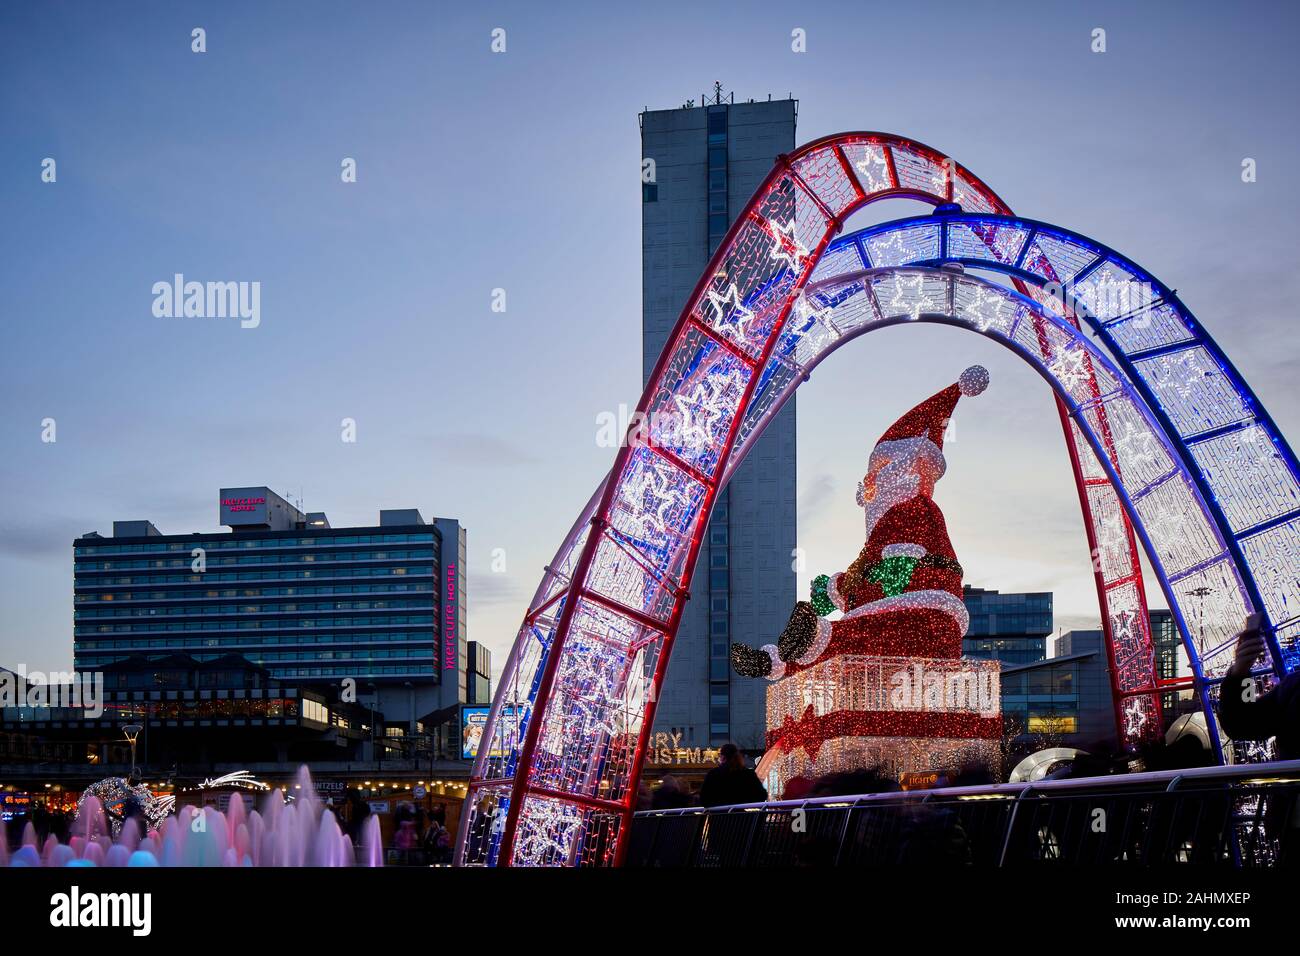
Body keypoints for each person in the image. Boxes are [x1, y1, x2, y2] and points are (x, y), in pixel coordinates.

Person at [1218, 614, 1299, 759]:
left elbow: (1241, 725)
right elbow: (1243, 723)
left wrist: (1241, 675)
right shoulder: (1293, 685)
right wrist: (1240, 673)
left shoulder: (1293, 685)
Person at [699, 744, 766, 807]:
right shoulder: (748, 774)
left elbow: (704, 799)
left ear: (723, 757)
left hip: (719, 816)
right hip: (743, 817)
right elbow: (762, 795)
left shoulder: (713, 774)